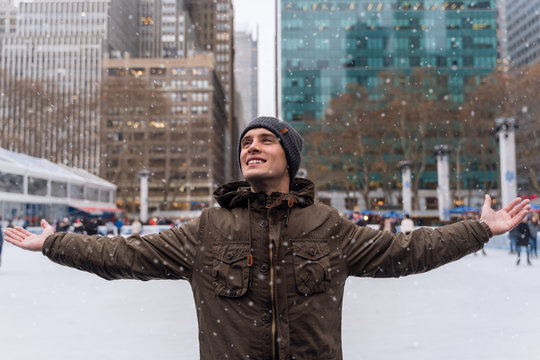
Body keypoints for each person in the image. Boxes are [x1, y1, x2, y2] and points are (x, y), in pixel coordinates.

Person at [4, 116, 531, 360]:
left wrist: (480, 229)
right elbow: (125, 254)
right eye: (245, 143)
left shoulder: (328, 226)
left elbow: (408, 251)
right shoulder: (208, 229)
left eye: (265, 141)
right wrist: (54, 244)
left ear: (288, 157)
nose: (251, 148)